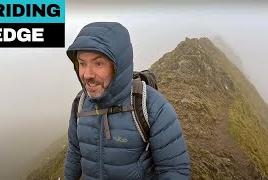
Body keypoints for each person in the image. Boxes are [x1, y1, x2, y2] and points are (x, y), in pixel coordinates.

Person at [64, 22, 191, 180]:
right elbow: (74, 155)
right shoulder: (80, 103)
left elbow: (175, 170)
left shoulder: (151, 106)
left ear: (118, 65)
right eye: (82, 63)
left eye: (98, 63)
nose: (87, 74)